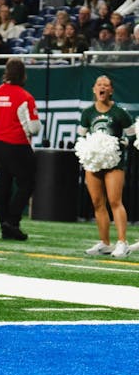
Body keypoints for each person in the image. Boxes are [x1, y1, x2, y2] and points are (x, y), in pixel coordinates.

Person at [79, 76, 135, 259]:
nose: (102, 88)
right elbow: (81, 136)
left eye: (106, 85)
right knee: (97, 202)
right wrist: (88, 149)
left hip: (114, 162)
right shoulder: (87, 113)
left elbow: (132, 136)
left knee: (114, 201)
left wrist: (121, 143)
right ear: (94, 89)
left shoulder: (120, 112)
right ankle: (105, 243)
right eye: (99, 85)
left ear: (111, 90)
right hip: (94, 162)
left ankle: (122, 242)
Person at [0, 58, 41, 241]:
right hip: (19, 145)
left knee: (4, 186)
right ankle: (13, 220)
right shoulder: (25, 97)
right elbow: (34, 128)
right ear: (23, 74)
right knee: (27, 184)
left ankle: (4, 225)